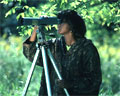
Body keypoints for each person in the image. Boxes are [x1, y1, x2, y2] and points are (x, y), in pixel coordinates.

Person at [23, 9, 102, 96]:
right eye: (58, 21)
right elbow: (31, 54)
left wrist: (70, 84)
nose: (58, 24)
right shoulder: (54, 45)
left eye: (62, 22)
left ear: (72, 25)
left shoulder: (86, 48)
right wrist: (37, 27)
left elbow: (94, 80)